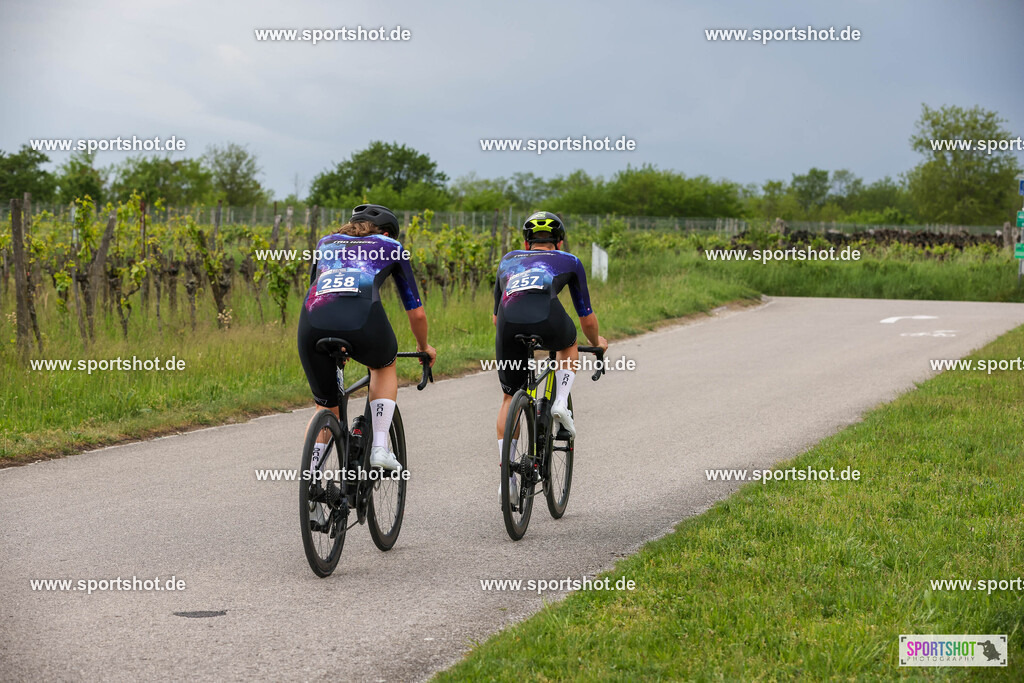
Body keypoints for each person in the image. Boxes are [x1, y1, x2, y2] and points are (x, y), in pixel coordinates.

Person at [298, 204, 436, 473]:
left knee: (326, 407)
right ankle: (380, 448)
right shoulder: (391, 245)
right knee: (384, 364)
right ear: (386, 233)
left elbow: (320, 288)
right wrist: (423, 346)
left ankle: (310, 476)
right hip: (361, 322)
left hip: (312, 325)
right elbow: (417, 313)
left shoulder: (326, 243)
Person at [492, 211, 608, 482]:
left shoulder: (508, 259)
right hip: (549, 319)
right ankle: (560, 403)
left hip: (508, 325)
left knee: (509, 398)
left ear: (526, 243)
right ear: (559, 242)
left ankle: (507, 480)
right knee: (569, 342)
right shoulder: (569, 260)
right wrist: (597, 343)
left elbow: (496, 318)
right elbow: (586, 316)